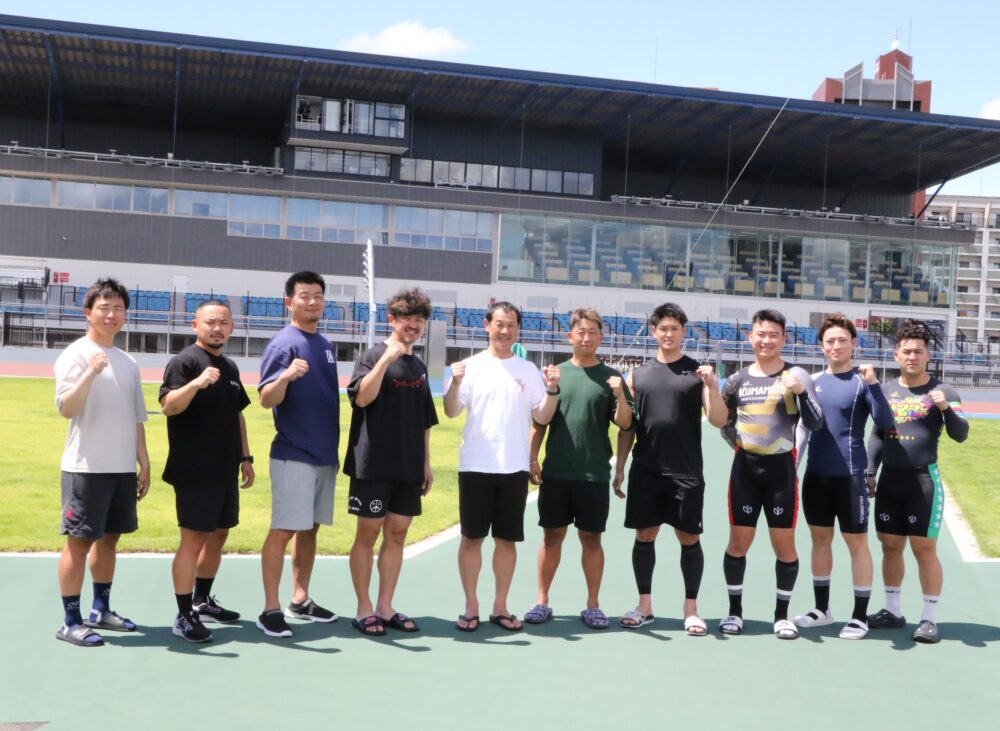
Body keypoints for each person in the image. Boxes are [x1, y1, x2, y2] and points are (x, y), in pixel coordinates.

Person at [443, 301, 560, 632]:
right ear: (487, 325)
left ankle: (500, 606)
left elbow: (542, 416)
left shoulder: (528, 370)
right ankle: (471, 606)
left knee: (506, 540)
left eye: (511, 325)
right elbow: (452, 411)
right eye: (499, 324)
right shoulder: (469, 367)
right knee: (472, 538)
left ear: (518, 329)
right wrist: (453, 383)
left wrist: (552, 389)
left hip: (514, 468)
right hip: (476, 466)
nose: (505, 330)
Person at [613, 303, 727, 635]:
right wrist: (620, 467)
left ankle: (691, 610)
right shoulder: (637, 375)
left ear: (683, 332)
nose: (668, 334)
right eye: (662, 328)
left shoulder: (698, 373)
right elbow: (627, 428)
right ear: (654, 331)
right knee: (644, 534)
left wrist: (715, 388)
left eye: (675, 328)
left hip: (686, 471)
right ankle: (644, 606)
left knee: (688, 537)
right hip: (646, 469)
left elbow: (719, 420)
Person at [54, 278, 150, 647]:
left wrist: (142, 461)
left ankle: (100, 609)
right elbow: (67, 408)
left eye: (118, 308)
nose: (112, 315)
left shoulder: (128, 362)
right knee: (78, 545)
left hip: (121, 468)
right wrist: (92, 372)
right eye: (104, 308)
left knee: (109, 541)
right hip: (85, 468)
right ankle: (70, 620)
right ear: (88, 312)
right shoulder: (76, 354)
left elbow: (136, 417)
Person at [523, 308, 633, 630]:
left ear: (601, 337)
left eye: (593, 332)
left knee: (592, 540)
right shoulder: (554, 374)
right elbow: (539, 423)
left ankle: (593, 605)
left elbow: (625, 424)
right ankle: (541, 601)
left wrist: (619, 395)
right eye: (580, 332)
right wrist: (532, 459)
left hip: (593, 475)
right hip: (557, 473)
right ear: (569, 336)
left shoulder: (612, 378)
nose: (586, 337)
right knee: (551, 536)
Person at [719, 309, 824, 640]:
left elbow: (816, 423)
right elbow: (724, 421)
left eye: (773, 335)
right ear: (750, 337)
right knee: (739, 542)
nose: (766, 340)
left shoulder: (796, 376)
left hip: (781, 472)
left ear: (784, 339)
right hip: (745, 470)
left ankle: (781, 616)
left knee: (784, 545)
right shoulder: (737, 380)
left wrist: (801, 393)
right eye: (760, 334)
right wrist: (744, 444)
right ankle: (734, 612)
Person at [792, 314, 894, 640]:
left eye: (842, 340)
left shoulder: (862, 381)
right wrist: (791, 469)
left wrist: (875, 385)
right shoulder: (812, 381)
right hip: (816, 477)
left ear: (854, 343)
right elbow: (802, 429)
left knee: (856, 543)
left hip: (850, 478)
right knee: (820, 541)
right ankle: (822, 609)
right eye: (830, 341)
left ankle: (860, 616)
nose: (836, 346)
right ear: (821, 346)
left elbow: (884, 421)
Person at [865, 321, 968, 644]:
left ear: (928, 355)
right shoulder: (885, 391)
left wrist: (944, 408)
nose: (912, 356)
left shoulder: (944, 390)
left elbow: (961, 434)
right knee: (890, 547)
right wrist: (869, 472)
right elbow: (879, 434)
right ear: (896, 355)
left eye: (918, 352)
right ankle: (892, 610)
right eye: (906, 351)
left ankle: (928, 618)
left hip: (923, 481)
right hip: (890, 481)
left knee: (924, 550)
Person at [159, 300, 255, 643]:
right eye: (211, 322)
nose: (218, 328)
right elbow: (169, 406)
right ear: (195, 324)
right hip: (194, 469)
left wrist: (246, 457)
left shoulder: (229, 366)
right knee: (193, 538)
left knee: (219, 535)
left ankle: (201, 601)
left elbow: (237, 414)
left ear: (231, 328)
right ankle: (183, 615)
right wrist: (197, 383)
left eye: (224, 323)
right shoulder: (184, 362)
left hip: (225, 468)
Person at [345, 288, 438, 637]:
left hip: (409, 467)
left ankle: (385, 606)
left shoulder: (419, 366)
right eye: (407, 319)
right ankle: (363, 607)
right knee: (367, 536)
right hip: (373, 464)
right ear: (392, 320)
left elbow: (425, 420)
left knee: (397, 535)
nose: (413, 326)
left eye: (419, 321)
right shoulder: (370, 356)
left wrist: (425, 464)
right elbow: (363, 399)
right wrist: (386, 358)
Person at [256, 271, 340, 638]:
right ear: (289, 301)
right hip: (294, 453)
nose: (313, 301)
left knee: (310, 529)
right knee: (285, 530)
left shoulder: (324, 342)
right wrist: (287, 376)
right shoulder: (283, 343)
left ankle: (300, 598)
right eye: (305, 295)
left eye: (318, 295)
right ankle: (270, 609)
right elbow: (265, 399)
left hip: (324, 455)